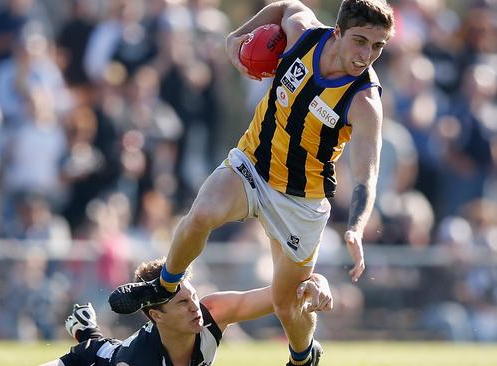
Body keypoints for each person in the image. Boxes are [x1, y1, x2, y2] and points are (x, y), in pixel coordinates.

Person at [108, 1, 395, 365]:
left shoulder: (365, 100)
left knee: (287, 303)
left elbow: (367, 172)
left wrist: (355, 227)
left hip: (301, 199)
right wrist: (235, 38)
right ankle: (163, 286)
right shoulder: (304, 34)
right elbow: (287, 5)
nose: (366, 55)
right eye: (360, 41)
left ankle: (303, 356)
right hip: (253, 164)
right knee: (202, 214)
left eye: (377, 46)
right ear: (336, 32)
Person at [0, 258, 333, 366]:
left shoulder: (211, 313)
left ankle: (85, 331)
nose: (195, 309)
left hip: (106, 349)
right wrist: (89, 340)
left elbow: (277, 295)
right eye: (182, 303)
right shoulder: (140, 361)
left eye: (192, 297)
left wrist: (314, 284)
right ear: (155, 316)